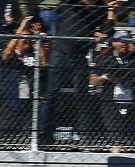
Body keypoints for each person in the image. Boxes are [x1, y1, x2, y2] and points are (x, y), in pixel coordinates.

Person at [37, 0, 116, 147]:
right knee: (52, 94)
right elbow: (79, 9)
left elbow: (108, 31)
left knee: (82, 96)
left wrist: (109, 12)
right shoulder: (71, 3)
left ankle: (86, 137)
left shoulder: (100, 6)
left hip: (80, 55)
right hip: (60, 51)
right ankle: (44, 136)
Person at [0, 16, 47, 144]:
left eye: (29, 39)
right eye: (23, 38)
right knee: (5, 141)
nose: (27, 40)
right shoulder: (12, 54)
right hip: (9, 102)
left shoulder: (32, 53)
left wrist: (37, 38)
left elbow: (43, 63)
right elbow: (6, 54)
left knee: (26, 141)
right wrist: (21, 28)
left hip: (27, 105)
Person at [89, 29, 135, 149]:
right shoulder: (105, 58)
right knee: (116, 138)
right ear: (114, 43)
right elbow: (92, 81)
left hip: (130, 101)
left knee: (131, 138)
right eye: (121, 41)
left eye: (127, 41)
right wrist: (106, 76)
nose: (125, 44)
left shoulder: (133, 58)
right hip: (111, 102)